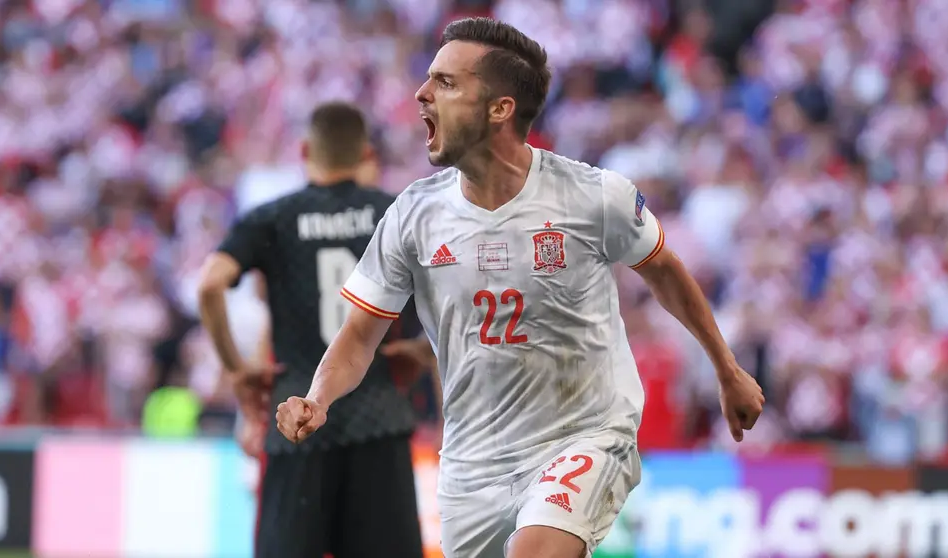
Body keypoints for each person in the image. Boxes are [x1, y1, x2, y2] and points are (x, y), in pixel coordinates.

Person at [275, 18, 765, 558]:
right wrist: (318, 398)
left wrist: (728, 368)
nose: (421, 93)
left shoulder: (592, 197)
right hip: (472, 465)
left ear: (500, 108)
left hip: (584, 435)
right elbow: (361, 334)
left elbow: (665, 272)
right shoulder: (413, 214)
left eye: (446, 82)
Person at [197, 102, 425, 558]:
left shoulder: (273, 219)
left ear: (304, 150)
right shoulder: (394, 213)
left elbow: (209, 286)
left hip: (296, 420)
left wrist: (238, 371)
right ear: (364, 153)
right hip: (377, 419)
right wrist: (422, 349)